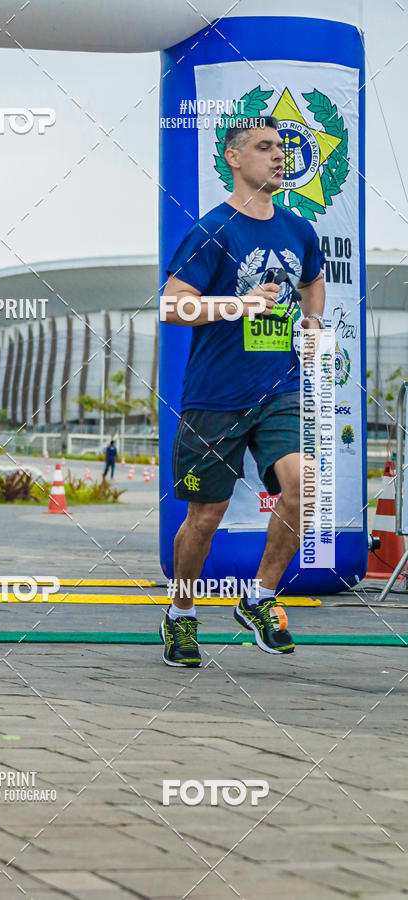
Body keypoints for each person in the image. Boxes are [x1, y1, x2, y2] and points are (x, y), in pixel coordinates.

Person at [160, 116, 325, 667]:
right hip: (216, 396)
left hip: (279, 389)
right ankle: (181, 613)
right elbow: (172, 305)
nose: (278, 156)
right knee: (205, 518)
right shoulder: (212, 230)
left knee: (304, 484)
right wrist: (237, 304)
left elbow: (312, 279)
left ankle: (260, 597)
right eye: (264, 147)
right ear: (234, 158)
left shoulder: (299, 229)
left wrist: (313, 322)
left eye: (281, 148)